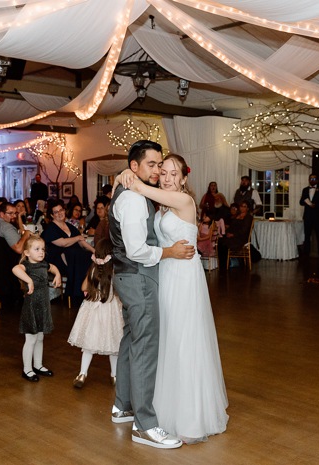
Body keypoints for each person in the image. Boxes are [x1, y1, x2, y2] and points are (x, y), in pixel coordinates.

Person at [116, 152, 228, 444]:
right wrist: (123, 177)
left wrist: (124, 176)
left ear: (184, 178)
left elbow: (138, 186)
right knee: (163, 341)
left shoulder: (184, 201)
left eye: (173, 173)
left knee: (181, 340)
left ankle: (187, 415)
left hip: (183, 278)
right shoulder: (162, 205)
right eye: (163, 172)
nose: (166, 177)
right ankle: (159, 410)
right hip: (164, 274)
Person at [108, 140, 195, 450]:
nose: (158, 170)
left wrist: (123, 175)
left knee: (132, 339)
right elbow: (137, 250)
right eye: (152, 165)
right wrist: (169, 251)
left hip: (128, 276)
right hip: (138, 277)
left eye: (161, 165)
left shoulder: (133, 191)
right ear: (135, 167)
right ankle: (145, 425)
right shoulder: (133, 199)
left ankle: (123, 406)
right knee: (145, 346)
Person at [67, 238, 124, 388]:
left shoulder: (93, 269)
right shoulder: (114, 271)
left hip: (92, 310)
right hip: (111, 309)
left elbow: (83, 287)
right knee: (114, 344)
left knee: (89, 344)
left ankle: (82, 374)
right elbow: (119, 292)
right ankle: (115, 375)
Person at [12, 235, 61, 382]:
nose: (41, 252)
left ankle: (38, 365)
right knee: (31, 338)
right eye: (37, 249)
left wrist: (57, 274)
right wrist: (28, 280)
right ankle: (27, 369)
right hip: (32, 307)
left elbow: (53, 267)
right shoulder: (26, 265)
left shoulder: (44, 264)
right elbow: (15, 269)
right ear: (27, 253)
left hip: (43, 306)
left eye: (43, 249)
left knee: (40, 337)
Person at [41, 198, 94, 304]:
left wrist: (94, 250)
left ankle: (86, 290)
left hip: (73, 258)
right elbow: (63, 243)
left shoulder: (70, 226)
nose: (60, 213)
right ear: (52, 215)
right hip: (57, 260)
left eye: (61, 210)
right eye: (56, 212)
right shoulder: (50, 228)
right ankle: (75, 295)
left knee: (87, 255)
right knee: (74, 253)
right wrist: (77, 238)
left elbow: (82, 241)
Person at [217, 202, 253, 270]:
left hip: (241, 237)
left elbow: (244, 230)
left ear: (247, 208)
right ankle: (223, 264)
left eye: (244, 206)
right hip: (232, 236)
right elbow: (231, 226)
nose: (242, 208)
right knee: (220, 241)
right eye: (241, 206)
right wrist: (227, 233)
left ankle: (225, 265)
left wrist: (233, 234)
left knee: (225, 244)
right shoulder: (237, 215)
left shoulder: (248, 217)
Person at [299, 173, 319, 257]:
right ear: (308, 180)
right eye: (310, 179)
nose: (312, 180)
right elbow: (301, 202)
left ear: (317, 180)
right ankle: (306, 254)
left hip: (317, 216)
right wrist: (308, 204)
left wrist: (315, 205)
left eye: (314, 179)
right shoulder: (305, 190)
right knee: (307, 236)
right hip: (307, 216)